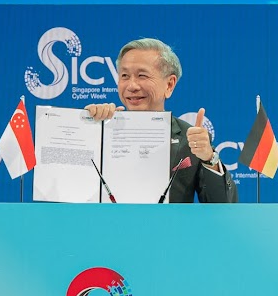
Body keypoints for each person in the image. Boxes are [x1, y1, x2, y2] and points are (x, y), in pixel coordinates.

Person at [82, 37, 237, 204]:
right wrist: (87, 128)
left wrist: (209, 159)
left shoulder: (189, 139)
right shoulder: (101, 130)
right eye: (124, 75)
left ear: (169, 85)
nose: (132, 86)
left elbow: (223, 206)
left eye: (142, 75)